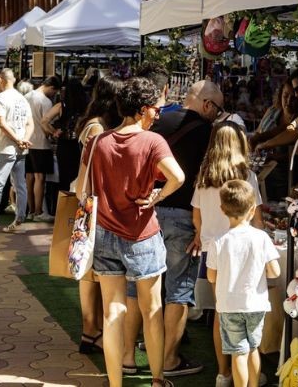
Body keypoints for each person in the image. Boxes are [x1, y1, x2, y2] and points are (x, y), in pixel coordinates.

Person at [75, 77, 186, 387]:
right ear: (143, 110)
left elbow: (83, 188)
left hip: (104, 234)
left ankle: (114, 382)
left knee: (113, 310)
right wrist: (158, 196)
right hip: (142, 233)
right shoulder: (153, 142)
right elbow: (177, 176)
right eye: (157, 110)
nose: (159, 115)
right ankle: (156, 379)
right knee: (152, 310)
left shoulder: (98, 141)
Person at [123, 81, 226, 378]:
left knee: (137, 285)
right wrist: (202, 226)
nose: (217, 115)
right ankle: (168, 360)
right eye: (217, 109)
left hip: (146, 212)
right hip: (185, 215)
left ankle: (128, 356)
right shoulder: (209, 133)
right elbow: (207, 180)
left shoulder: (156, 120)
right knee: (178, 290)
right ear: (207, 105)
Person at [191, 122, 265, 385]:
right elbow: (257, 217)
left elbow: (196, 215)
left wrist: (202, 234)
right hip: (244, 248)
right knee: (247, 310)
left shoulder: (204, 175)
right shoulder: (247, 175)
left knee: (221, 313)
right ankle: (248, 371)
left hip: (213, 249)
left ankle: (224, 372)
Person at [206, 180, 280, 387]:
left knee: (238, 352)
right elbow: (275, 271)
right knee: (253, 349)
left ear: (222, 209)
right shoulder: (262, 238)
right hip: (255, 304)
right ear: (252, 208)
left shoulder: (218, 240)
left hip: (228, 305)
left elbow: (211, 277)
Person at [73, 74, 123, 355]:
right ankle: (91, 329)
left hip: (93, 202)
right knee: (88, 269)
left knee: (91, 269)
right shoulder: (96, 127)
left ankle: (92, 330)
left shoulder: (98, 123)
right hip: (91, 204)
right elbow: (89, 169)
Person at [0, 69, 34, 234]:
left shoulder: (1, 98)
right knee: (20, 186)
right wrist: (23, 140)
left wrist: (19, 140)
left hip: (5, 147)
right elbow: (30, 124)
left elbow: (2, 124)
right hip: (20, 149)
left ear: (0, 79)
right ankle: (19, 221)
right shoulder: (22, 99)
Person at [41, 79, 89, 191]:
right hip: (80, 145)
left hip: (64, 145)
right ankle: (77, 204)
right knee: (80, 177)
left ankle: (63, 205)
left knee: (64, 178)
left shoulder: (61, 106)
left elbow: (44, 121)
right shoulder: (87, 107)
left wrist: (53, 132)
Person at [25, 76, 62, 222]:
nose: (55, 95)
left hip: (27, 141)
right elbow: (46, 124)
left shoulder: (27, 96)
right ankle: (39, 212)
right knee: (40, 178)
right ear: (52, 88)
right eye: (55, 92)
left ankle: (31, 210)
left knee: (29, 177)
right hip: (41, 142)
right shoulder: (46, 101)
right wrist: (53, 133)